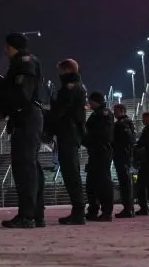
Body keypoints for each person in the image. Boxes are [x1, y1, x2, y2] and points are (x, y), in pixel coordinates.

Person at [0, 33, 46, 229]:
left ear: (13, 46)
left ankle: (27, 215)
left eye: (7, 47)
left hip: (25, 117)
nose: (5, 51)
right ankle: (36, 214)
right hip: (28, 117)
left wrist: (0, 92)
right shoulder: (27, 62)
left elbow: (21, 94)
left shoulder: (23, 63)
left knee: (24, 168)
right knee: (30, 166)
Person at [45, 59, 87, 225]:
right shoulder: (77, 86)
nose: (59, 74)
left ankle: (78, 212)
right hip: (71, 132)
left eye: (61, 71)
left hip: (68, 132)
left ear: (67, 70)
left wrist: (48, 121)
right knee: (71, 172)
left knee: (71, 172)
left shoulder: (70, 87)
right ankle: (78, 211)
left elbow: (61, 110)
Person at [83, 92, 115, 221]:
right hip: (95, 151)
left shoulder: (104, 113)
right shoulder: (97, 114)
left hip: (101, 151)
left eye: (91, 101)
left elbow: (102, 134)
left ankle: (106, 212)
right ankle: (93, 209)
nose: (89, 104)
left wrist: (88, 140)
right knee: (91, 183)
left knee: (103, 182)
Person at [111, 103, 136, 218]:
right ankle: (128, 208)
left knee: (125, 182)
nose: (114, 113)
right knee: (124, 182)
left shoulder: (123, 123)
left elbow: (129, 140)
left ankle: (128, 209)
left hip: (122, 156)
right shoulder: (124, 122)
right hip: (122, 155)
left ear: (121, 110)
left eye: (115, 110)